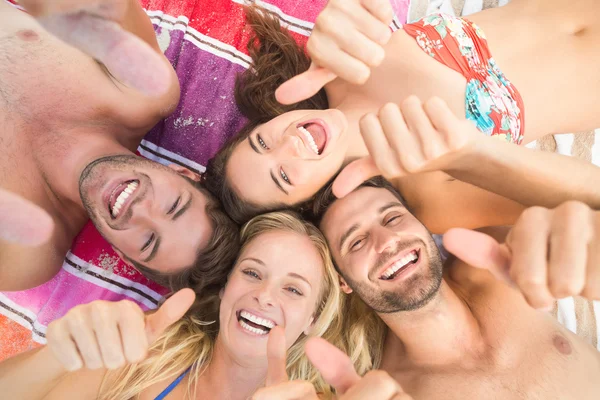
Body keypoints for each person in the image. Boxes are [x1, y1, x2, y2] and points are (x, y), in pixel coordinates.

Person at [203, 0, 600, 232]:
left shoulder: (338, 67)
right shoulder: (426, 193)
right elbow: (586, 208)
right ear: (308, 203)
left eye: (261, 142)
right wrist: (477, 157)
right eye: (284, 176)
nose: (287, 144)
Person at [0, 0, 238, 291]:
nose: (139, 211)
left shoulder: (27, 253)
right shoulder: (142, 91)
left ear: (121, 256)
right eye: (172, 206)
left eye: (148, 241)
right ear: (183, 174)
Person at [0, 211, 353, 399]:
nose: (265, 295)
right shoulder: (146, 359)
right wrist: (60, 355)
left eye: (293, 290)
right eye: (251, 272)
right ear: (227, 284)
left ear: (314, 317)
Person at [309, 175, 600, 399]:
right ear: (343, 281)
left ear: (422, 224)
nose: (386, 241)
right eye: (356, 242)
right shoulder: (398, 390)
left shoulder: (499, 259)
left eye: (393, 217)